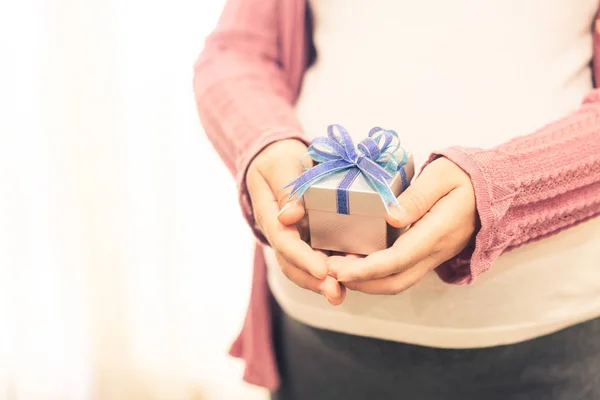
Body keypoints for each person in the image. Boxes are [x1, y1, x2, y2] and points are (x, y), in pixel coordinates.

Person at [194, 0, 600, 398]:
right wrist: (264, 143)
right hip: (319, 331)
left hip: (545, 332)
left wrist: (503, 186)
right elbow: (237, 52)